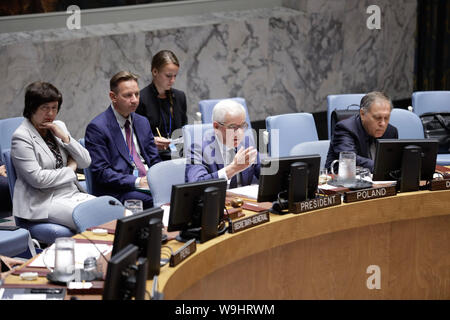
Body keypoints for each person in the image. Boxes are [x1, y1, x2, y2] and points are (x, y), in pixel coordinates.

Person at [11, 82, 95, 231]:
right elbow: (39, 179)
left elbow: (86, 161)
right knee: (92, 218)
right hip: (43, 200)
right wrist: (71, 168)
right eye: (45, 108)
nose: (50, 114)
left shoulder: (58, 127)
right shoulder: (21, 137)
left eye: (54, 108)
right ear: (32, 108)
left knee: (113, 212)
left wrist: (66, 139)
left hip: (71, 192)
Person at [85, 71, 161, 209]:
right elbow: (102, 173)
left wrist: (160, 177)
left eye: (137, 94)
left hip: (149, 183)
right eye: (128, 95)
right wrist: (137, 181)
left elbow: (154, 159)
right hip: (119, 191)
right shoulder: (98, 127)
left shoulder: (142, 122)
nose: (135, 100)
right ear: (113, 97)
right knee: (155, 200)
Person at [185, 99, 260, 187]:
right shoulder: (197, 150)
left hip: (244, 199)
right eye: (233, 127)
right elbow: (196, 184)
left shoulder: (247, 142)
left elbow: (263, 172)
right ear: (216, 127)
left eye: (242, 126)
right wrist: (233, 168)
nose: (239, 132)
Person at [325, 91, 399, 172]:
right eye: (378, 118)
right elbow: (349, 159)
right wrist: (383, 166)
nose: (383, 123)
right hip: (342, 181)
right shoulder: (345, 128)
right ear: (362, 114)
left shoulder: (391, 131)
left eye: (387, 117)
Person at [136, 50, 187, 160]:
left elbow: (184, 129)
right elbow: (137, 137)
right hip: (154, 157)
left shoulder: (180, 97)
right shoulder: (141, 99)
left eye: (175, 76)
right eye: (168, 76)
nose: (172, 80)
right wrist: (152, 140)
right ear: (155, 71)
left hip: (179, 155)